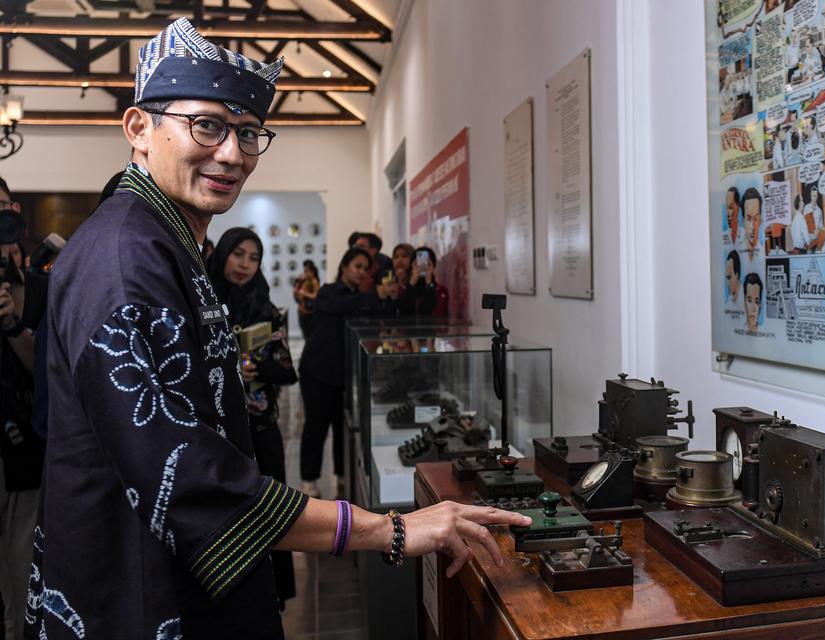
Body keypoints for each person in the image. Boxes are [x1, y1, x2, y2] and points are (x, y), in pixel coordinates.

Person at [28, 18, 529, 640]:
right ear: (139, 128)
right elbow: (184, 477)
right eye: (206, 125)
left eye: (247, 133)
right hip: (139, 594)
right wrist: (392, 529)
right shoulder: (125, 258)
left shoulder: (164, 241)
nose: (233, 154)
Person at [208, 227, 299, 611]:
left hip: (259, 429)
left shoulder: (267, 309)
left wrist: (253, 366)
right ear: (223, 254)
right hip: (214, 432)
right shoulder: (201, 300)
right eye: (237, 254)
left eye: (253, 257)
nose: (245, 265)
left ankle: (273, 596)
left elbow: (286, 369)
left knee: (270, 511)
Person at [297, 248, 397, 499]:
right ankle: (308, 480)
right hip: (318, 372)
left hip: (345, 375)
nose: (361, 272)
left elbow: (377, 318)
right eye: (357, 266)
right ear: (344, 266)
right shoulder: (328, 291)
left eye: (365, 268)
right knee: (316, 426)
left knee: (342, 427)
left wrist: (387, 297)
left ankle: (342, 475)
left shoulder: (363, 298)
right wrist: (374, 295)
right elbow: (338, 305)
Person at [0, 192, 44, 640]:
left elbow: (45, 372)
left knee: (22, 573)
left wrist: (13, 324)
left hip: (24, 455)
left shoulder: (34, 285)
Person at [398, 246, 450, 318]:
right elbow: (404, 311)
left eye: (427, 263)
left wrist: (428, 281)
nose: (423, 266)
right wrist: (412, 282)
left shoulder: (441, 291)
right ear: (412, 265)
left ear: (433, 266)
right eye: (418, 263)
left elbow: (429, 311)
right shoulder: (404, 289)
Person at [790, 183, 825, 253]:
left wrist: (819, 232)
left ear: (817, 196)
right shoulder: (806, 209)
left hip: (813, 240)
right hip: (807, 244)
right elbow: (804, 233)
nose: (814, 198)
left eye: (815, 196)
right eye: (812, 196)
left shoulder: (819, 211)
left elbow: (821, 226)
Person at [293, 259, 320, 338]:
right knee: (305, 335)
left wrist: (304, 293)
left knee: (309, 335)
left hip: (309, 313)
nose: (304, 273)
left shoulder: (314, 281)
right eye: (304, 271)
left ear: (312, 272)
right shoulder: (304, 281)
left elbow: (316, 295)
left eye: (306, 271)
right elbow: (297, 294)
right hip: (302, 312)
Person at [741, 187, 763, 255]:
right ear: (743, 221)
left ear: (760, 220)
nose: (752, 227)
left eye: (755, 219)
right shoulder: (738, 251)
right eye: (748, 219)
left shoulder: (763, 250)